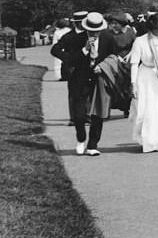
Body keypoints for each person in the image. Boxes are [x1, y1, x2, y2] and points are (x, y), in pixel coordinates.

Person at [50, 12, 116, 156]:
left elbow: (113, 56)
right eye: (91, 31)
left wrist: (104, 65)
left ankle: (93, 144)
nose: (94, 34)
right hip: (79, 78)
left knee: (97, 113)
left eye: (97, 31)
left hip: (99, 78)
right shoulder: (75, 39)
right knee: (79, 114)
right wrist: (83, 51)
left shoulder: (108, 38)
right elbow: (55, 50)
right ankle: (81, 138)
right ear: (86, 29)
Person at [128, 11, 158, 153]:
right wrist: (133, 84)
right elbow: (134, 63)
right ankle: (148, 142)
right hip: (145, 77)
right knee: (148, 109)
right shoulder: (140, 41)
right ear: (154, 28)